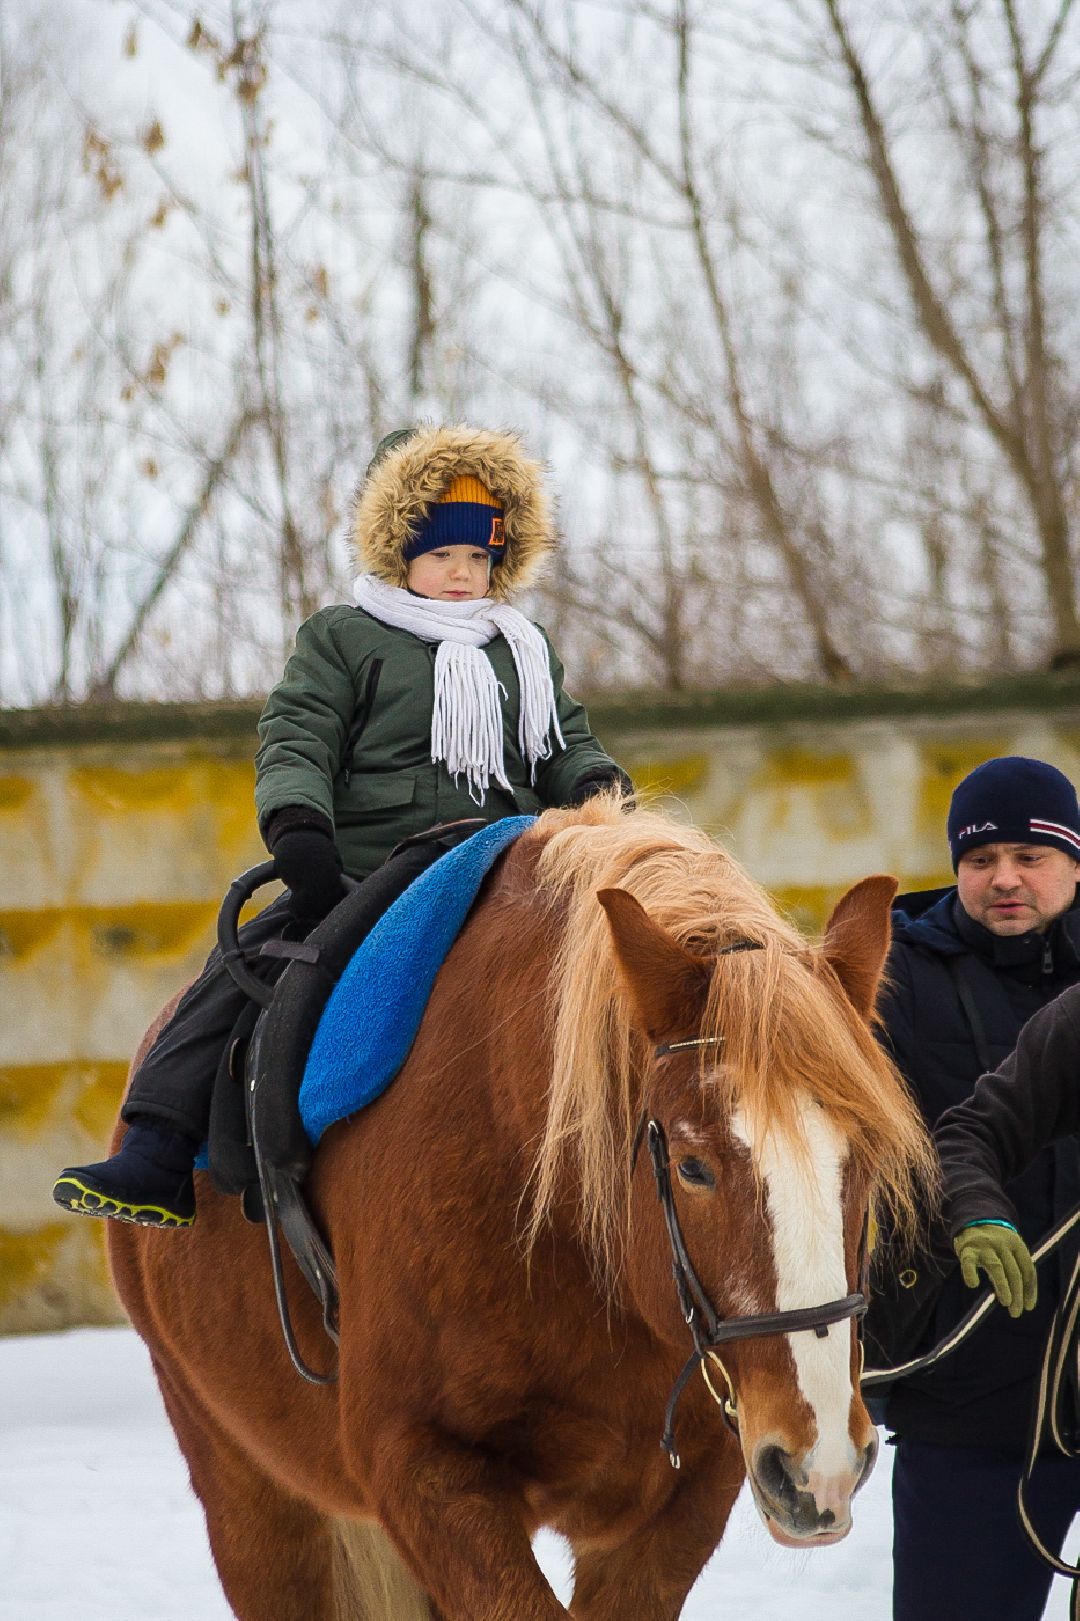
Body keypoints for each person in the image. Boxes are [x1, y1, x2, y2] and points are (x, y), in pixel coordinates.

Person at [52, 424, 630, 1229]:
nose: (462, 574)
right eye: (440, 556)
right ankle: (156, 1149)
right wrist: (299, 826)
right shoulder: (344, 637)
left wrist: (597, 783)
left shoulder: (522, 650)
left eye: (478, 558)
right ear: (397, 554)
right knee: (243, 970)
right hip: (371, 867)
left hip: (503, 860)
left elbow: (563, 741)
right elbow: (299, 732)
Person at [871, 756, 1080, 1621]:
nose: (1004, 878)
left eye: (1029, 855)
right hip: (965, 1385)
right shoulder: (889, 980)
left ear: (1074, 861)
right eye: (980, 857)